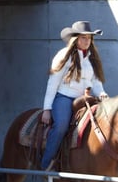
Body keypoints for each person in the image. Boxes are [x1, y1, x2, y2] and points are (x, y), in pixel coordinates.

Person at [40, 21, 109, 170]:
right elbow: (53, 83)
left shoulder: (92, 58)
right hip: (64, 97)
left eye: (89, 38)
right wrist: (47, 109)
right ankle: (46, 164)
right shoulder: (64, 55)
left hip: (85, 98)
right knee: (61, 126)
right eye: (83, 37)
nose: (87, 41)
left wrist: (102, 93)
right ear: (75, 38)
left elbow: (96, 82)